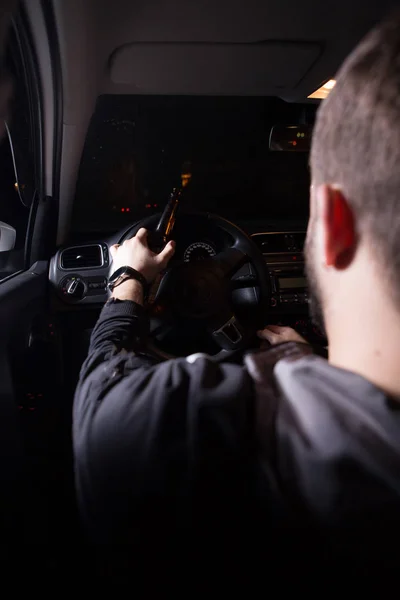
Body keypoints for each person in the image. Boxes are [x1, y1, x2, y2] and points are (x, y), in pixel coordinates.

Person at [73, 13, 400, 582]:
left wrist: (127, 284)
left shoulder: (164, 432)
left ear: (329, 222)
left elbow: (102, 393)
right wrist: (299, 358)